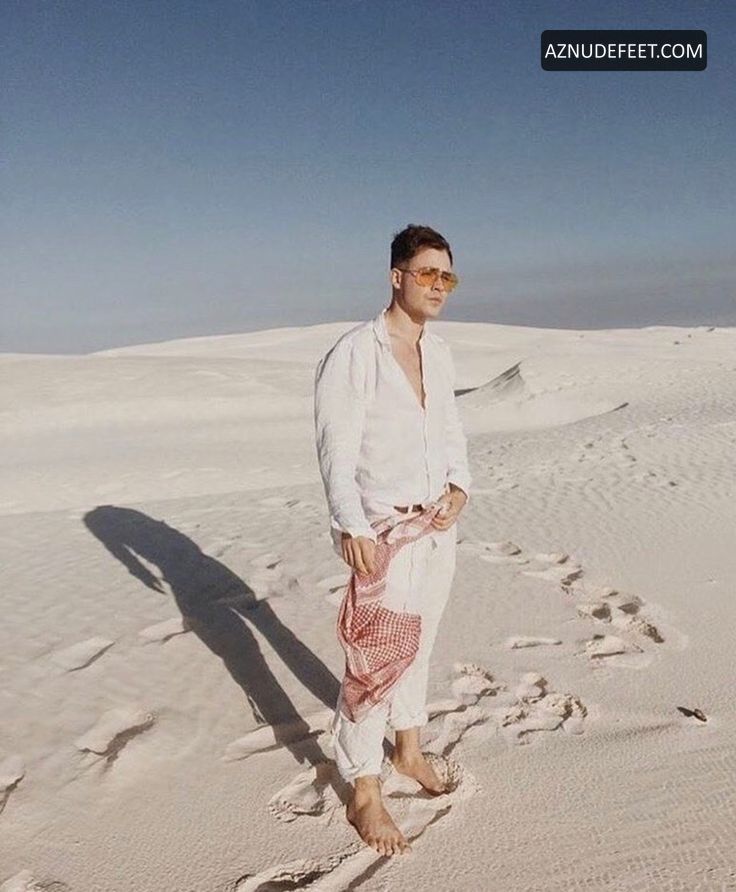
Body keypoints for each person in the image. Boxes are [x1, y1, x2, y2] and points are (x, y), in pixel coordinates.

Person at [313, 224, 471, 856]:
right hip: (382, 531)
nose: (438, 286)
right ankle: (363, 788)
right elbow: (336, 447)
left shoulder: (440, 352)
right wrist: (350, 523)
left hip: (436, 529)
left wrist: (460, 487)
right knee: (375, 661)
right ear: (396, 276)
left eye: (447, 276)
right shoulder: (356, 352)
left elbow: (451, 432)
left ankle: (408, 749)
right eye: (428, 273)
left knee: (421, 643)